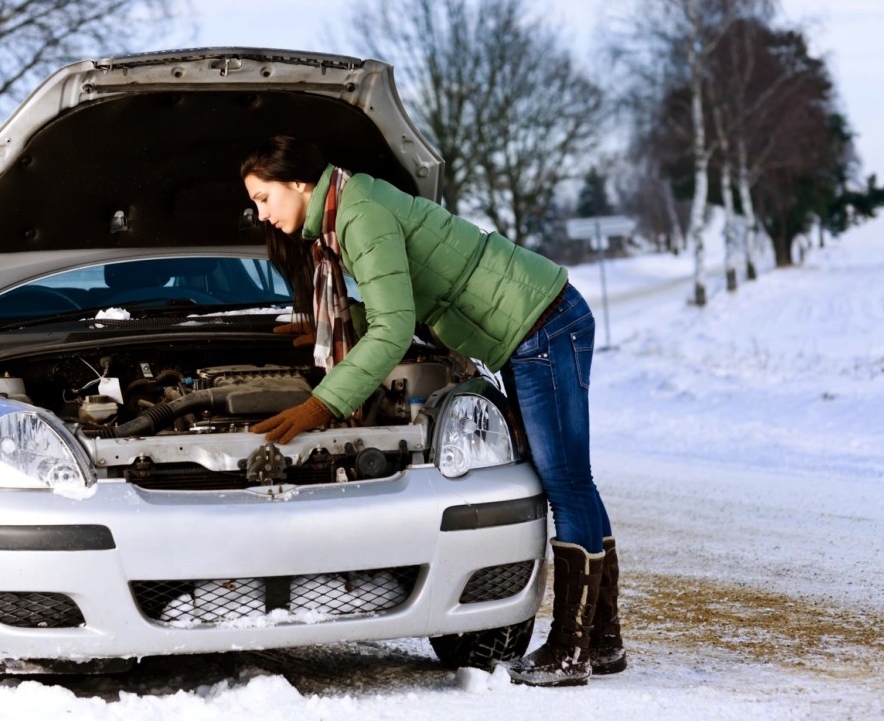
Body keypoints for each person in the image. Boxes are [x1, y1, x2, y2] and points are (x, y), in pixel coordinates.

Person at [240, 135, 625, 687]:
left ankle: (570, 649)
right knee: (573, 481)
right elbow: (402, 292)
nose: (261, 213)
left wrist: (324, 403)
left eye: (263, 197)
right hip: (534, 324)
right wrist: (335, 318)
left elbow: (395, 328)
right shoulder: (353, 203)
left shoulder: (359, 215)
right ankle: (602, 642)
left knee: (566, 483)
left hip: (542, 323)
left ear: (298, 184)